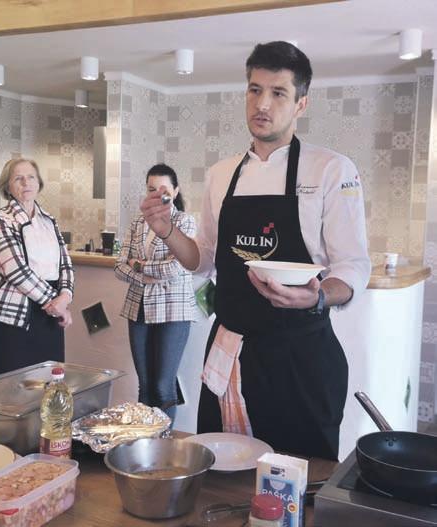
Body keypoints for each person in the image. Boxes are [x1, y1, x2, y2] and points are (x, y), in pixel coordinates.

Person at [141, 41, 370, 460]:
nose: (262, 104)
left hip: (300, 356)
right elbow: (203, 258)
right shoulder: (221, 173)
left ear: (301, 103)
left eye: (278, 93)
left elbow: (353, 267)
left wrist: (318, 296)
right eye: (254, 90)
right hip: (230, 349)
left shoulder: (331, 170)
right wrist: (166, 230)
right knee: (222, 474)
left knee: (297, 476)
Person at [115, 164, 196, 424]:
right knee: (145, 384)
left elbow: (175, 267)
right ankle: (146, 441)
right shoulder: (138, 223)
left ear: (175, 191)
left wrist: (138, 265)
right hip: (137, 307)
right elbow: (119, 266)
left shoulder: (184, 221)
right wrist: (145, 274)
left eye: (164, 190)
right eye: (152, 189)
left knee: (162, 385)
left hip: (173, 310)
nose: (157, 195)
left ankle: (165, 441)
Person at [0, 158, 74, 377]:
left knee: (49, 384)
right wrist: (56, 304)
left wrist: (65, 297)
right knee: (10, 388)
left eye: (31, 177)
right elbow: (15, 270)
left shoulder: (49, 220)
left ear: (39, 183)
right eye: (18, 178)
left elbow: (65, 263)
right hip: (13, 317)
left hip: (49, 317)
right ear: (7, 187)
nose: (26, 182)